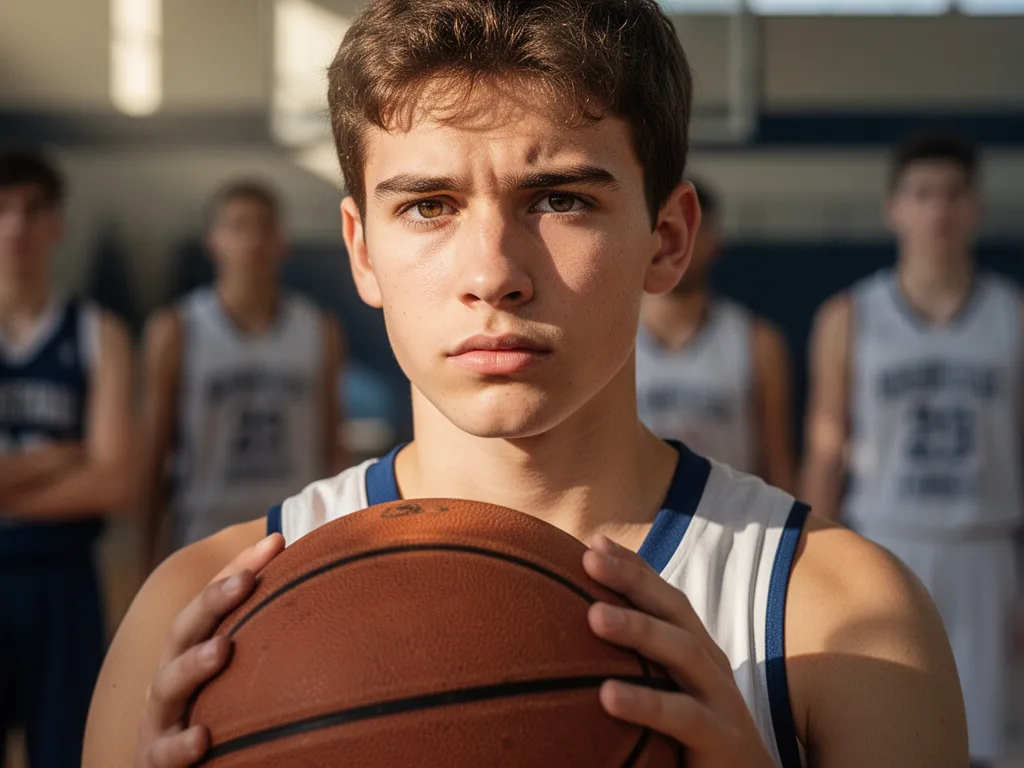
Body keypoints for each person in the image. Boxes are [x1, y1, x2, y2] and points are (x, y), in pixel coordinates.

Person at [84, 3, 967, 766]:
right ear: (361, 249)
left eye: (558, 200)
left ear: (667, 238)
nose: (492, 273)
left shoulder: (844, 619)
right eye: (429, 205)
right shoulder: (193, 621)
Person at [801, 132, 1022, 768]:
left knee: (988, 748)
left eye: (954, 195)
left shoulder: (1013, 316)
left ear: (976, 207)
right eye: (923, 195)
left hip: (988, 553)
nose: (939, 210)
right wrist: (819, 572)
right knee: (882, 738)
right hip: (887, 547)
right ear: (892, 207)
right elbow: (825, 452)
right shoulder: (849, 315)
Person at [0, 149, 133, 766]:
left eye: (31, 211)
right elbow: (90, 465)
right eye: (1, 211)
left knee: (68, 754)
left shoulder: (97, 331)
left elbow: (112, 483)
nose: (15, 227)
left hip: (63, 582)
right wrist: (62, 456)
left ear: (56, 225)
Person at [137, 181, 345, 571]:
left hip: (294, 530)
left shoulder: (320, 329)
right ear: (212, 240)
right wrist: (146, 565)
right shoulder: (177, 329)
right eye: (237, 227)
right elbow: (152, 458)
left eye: (263, 227)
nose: (252, 240)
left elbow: (333, 446)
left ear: (282, 241)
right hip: (204, 535)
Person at [637, 179, 795, 489]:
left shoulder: (757, 341)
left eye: (690, 231)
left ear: (715, 242)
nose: (675, 245)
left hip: (732, 525)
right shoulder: (605, 336)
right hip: (631, 523)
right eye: (663, 230)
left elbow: (779, 467)